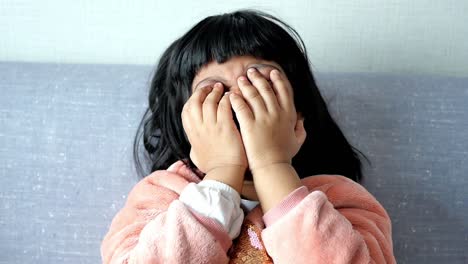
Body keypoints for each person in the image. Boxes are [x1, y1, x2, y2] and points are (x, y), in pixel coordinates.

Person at [101, 9, 396, 263]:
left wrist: (272, 165)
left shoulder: (341, 198)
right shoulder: (163, 194)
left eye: (260, 86)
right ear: (186, 123)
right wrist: (222, 171)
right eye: (214, 93)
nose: (239, 103)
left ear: (299, 114)